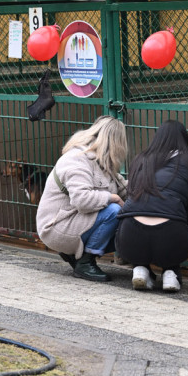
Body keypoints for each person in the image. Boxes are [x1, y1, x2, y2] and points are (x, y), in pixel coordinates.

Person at [115, 120, 188, 293]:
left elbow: (131, 193)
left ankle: (140, 269)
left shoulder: (140, 159)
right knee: (175, 227)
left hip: (130, 238)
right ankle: (171, 272)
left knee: (139, 225)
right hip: (171, 237)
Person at [36, 116, 128, 282]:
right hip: (56, 227)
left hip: (74, 221)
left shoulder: (100, 160)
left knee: (128, 227)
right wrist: (113, 198)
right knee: (114, 211)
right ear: (114, 141)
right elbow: (82, 200)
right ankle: (85, 262)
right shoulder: (76, 159)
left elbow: (124, 188)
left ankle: (76, 256)